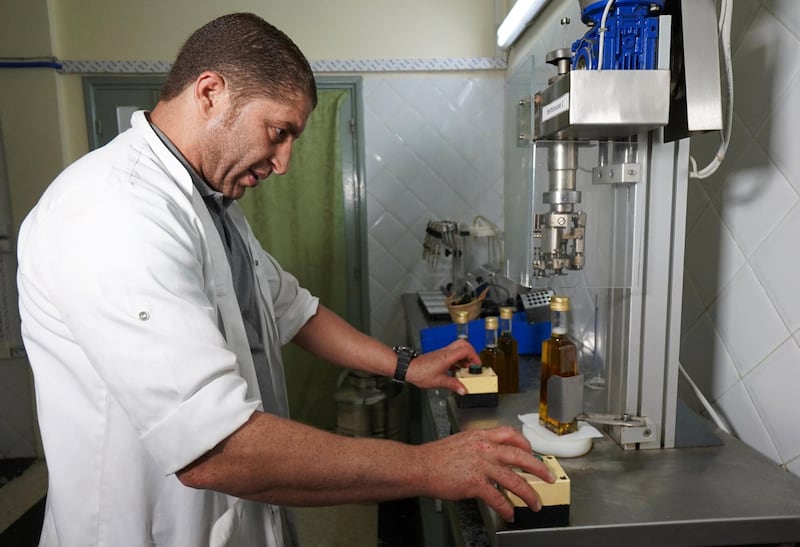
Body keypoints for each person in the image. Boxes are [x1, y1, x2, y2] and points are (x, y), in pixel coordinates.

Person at [16, 12, 553, 547]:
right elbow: (213, 448)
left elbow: (295, 310)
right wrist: (424, 466)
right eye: (278, 132)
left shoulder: (212, 207)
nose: (284, 163)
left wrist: (407, 365)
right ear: (210, 93)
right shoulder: (113, 213)